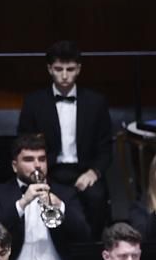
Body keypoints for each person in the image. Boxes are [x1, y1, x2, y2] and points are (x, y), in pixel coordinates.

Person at [16, 41, 113, 233]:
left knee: (96, 198)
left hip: (84, 170)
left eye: (70, 69)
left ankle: (90, 250)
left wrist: (93, 172)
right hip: (49, 171)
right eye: (59, 69)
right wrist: (39, 174)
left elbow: (105, 147)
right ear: (49, 69)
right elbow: (23, 143)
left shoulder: (96, 102)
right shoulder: (34, 102)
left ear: (78, 69)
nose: (65, 75)